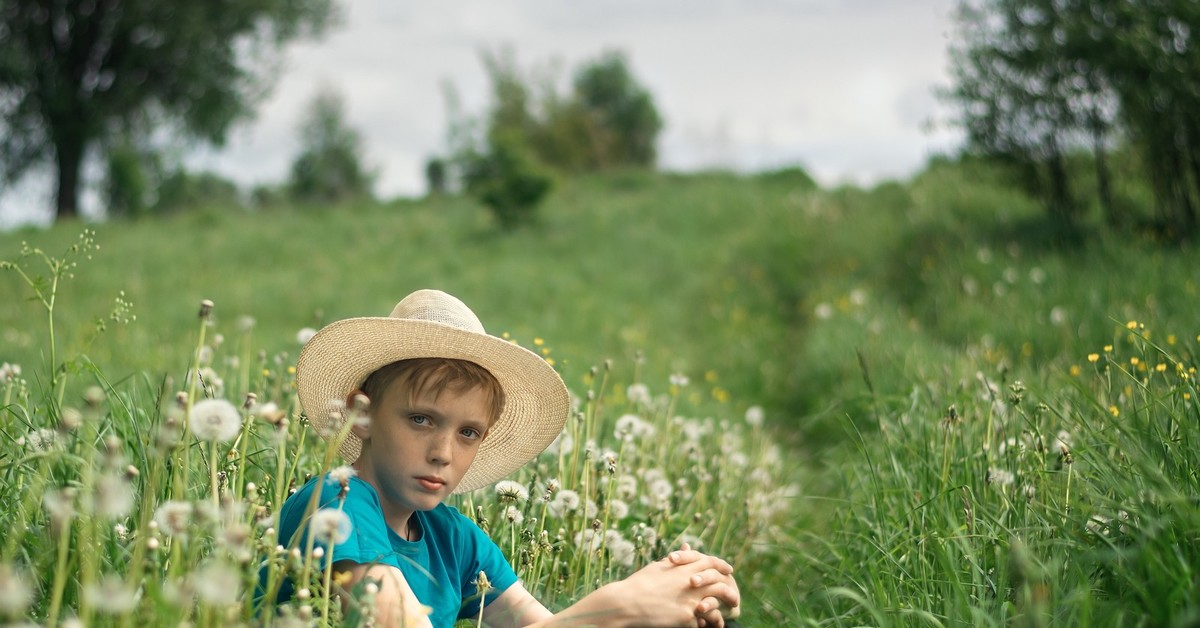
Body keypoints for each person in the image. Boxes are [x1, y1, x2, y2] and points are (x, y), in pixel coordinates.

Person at [266, 289, 741, 627]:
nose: (443, 453)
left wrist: (679, 595)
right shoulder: (335, 505)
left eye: (468, 432)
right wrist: (617, 608)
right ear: (361, 415)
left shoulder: (456, 540)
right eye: (421, 420)